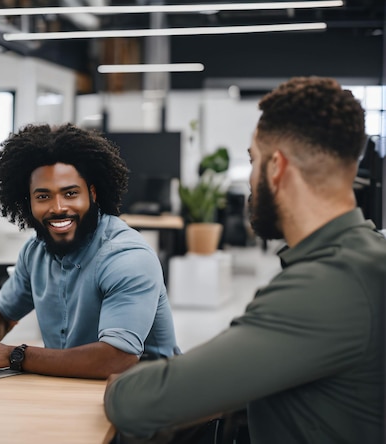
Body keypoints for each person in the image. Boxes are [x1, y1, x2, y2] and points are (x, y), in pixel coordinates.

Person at [103, 77, 386, 443]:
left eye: (253, 160)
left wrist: (121, 386)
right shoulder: (365, 256)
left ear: (276, 168)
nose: (251, 178)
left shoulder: (328, 284)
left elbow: (139, 402)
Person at [0, 123, 178, 379]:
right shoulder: (35, 252)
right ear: (28, 202)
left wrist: (14, 355)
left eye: (70, 193)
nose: (58, 207)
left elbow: (117, 359)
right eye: (43, 196)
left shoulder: (126, 257)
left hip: (145, 399)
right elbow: (1, 314)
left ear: (93, 193)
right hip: (71, 389)